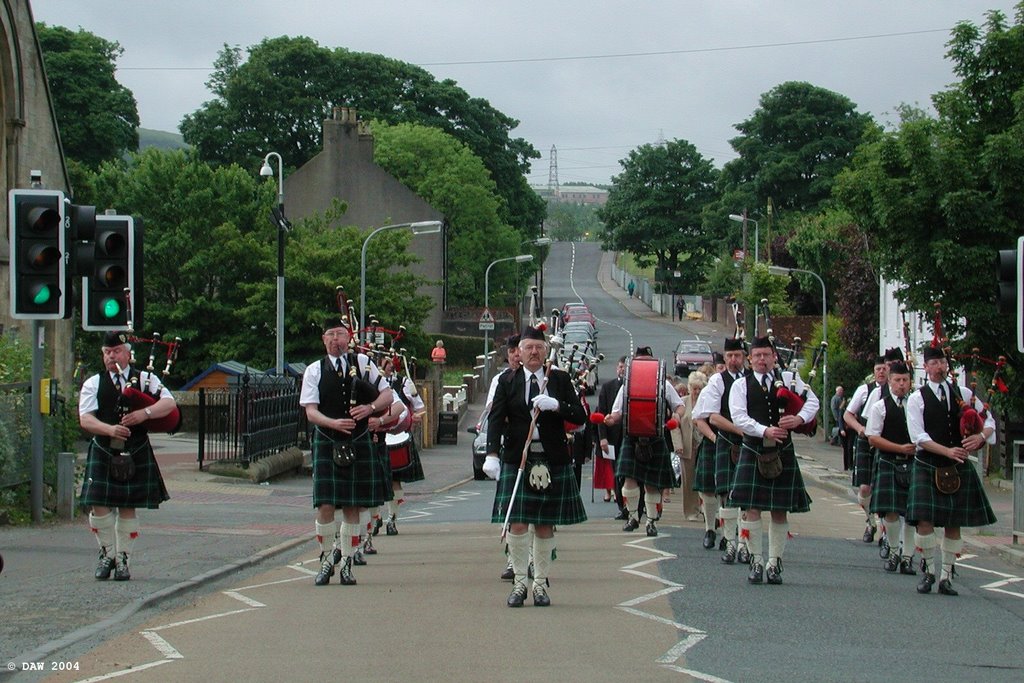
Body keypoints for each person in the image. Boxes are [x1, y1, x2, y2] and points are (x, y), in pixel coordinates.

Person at [484, 326, 587, 607]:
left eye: (539, 348)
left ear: (545, 351)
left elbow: (580, 416)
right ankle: (519, 584)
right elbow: (495, 419)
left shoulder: (560, 380)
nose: (534, 352)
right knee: (517, 524)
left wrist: (557, 405)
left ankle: (540, 584)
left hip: (551, 457)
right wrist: (491, 454)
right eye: (528, 347)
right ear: (519, 352)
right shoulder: (507, 381)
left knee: (544, 525)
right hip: (518, 458)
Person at [301, 315, 394, 586]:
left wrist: (371, 408)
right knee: (326, 504)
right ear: (323, 339)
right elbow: (310, 412)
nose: (335, 340)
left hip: (359, 438)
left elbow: (387, 395)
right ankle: (326, 558)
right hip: (328, 441)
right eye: (330, 334)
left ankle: (347, 564)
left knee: (353, 505)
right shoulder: (314, 370)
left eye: (340, 334)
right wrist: (332, 422)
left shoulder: (363, 364)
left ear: (348, 338)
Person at [79, 331, 176, 581]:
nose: (111, 357)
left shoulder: (145, 378)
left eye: (116, 351)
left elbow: (170, 404)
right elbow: (86, 419)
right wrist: (109, 429)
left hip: (135, 448)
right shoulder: (93, 383)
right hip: (103, 447)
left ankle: (123, 560)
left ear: (127, 353)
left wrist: (145, 413)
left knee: (127, 506)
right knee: (98, 503)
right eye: (107, 353)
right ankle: (107, 554)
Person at [728, 336, 819, 585]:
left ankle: (774, 562)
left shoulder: (788, 379)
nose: (761, 360)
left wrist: (798, 419)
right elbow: (738, 417)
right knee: (752, 509)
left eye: (766, 355)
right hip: (754, 448)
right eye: (756, 356)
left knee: (780, 510)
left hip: (782, 450)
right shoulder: (741, 386)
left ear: (774, 356)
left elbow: (813, 401)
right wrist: (763, 430)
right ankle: (757, 561)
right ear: (750, 359)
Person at [905, 346, 996, 596]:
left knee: (953, 522)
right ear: (926, 367)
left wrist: (980, 437)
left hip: (957, 466)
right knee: (924, 521)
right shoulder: (917, 398)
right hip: (929, 463)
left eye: (943, 362)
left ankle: (946, 577)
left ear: (947, 365)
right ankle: (929, 571)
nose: (939, 367)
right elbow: (918, 436)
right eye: (934, 363)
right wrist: (947, 451)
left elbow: (988, 422)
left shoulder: (963, 393)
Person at [604, 346, 686, 538]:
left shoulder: (663, 384)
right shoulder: (627, 385)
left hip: (655, 437)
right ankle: (633, 517)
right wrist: (610, 419)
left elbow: (680, 406)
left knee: (651, 484)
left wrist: (676, 416)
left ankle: (650, 521)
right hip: (632, 436)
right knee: (629, 481)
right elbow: (617, 412)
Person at [697, 337, 749, 562]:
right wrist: (731, 434)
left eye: (737, 355)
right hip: (724, 442)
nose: (733, 360)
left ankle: (745, 544)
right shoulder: (718, 381)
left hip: (749, 444)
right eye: (729, 356)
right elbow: (710, 417)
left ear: (744, 357)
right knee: (724, 493)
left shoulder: (751, 379)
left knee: (747, 497)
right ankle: (722, 537)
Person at [865, 361, 918, 575]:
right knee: (892, 513)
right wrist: (899, 447)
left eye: (905, 380)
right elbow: (872, 438)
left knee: (912, 513)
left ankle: (908, 557)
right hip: (889, 460)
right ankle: (895, 551)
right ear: (889, 381)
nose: (902, 384)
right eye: (897, 380)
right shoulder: (880, 407)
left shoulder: (917, 404)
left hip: (914, 463)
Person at [845, 357, 890, 544]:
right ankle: (870, 521)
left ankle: (886, 529)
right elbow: (848, 415)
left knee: (884, 488)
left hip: (886, 441)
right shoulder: (865, 390)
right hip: (865, 440)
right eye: (878, 368)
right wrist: (859, 429)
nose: (881, 372)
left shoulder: (896, 391)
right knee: (865, 487)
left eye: (884, 368)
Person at [380, 355, 426, 536]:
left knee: (395, 480)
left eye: (390, 361)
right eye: (384, 362)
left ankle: (392, 519)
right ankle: (375, 519)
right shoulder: (371, 382)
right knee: (375, 480)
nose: (388, 365)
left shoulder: (405, 383)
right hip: (377, 437)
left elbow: (420, 408)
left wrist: (414, 417)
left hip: (398, 435)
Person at [673, 373, 705, 521]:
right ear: (689, 387)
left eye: (700, 388)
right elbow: (674, 426)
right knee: (689, 481)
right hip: (687, 447)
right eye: (695, 388)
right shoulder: (682, 403)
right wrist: (678, 445)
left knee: (706, 479)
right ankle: (691, 511)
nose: (697, 392)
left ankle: (706, 509)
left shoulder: (707, 402)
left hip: (704, 445)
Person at [595, 357, 626, 510]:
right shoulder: (607, 387)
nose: (622, 369)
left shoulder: (635, 386)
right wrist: (603, 438)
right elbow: (601, 414)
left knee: (629, 473)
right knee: (616, 472)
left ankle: (632, 505)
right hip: (612, 437)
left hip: (629, 437)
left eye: (625, 367)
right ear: (616, 368)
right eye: (620, 366)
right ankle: (621, 506)